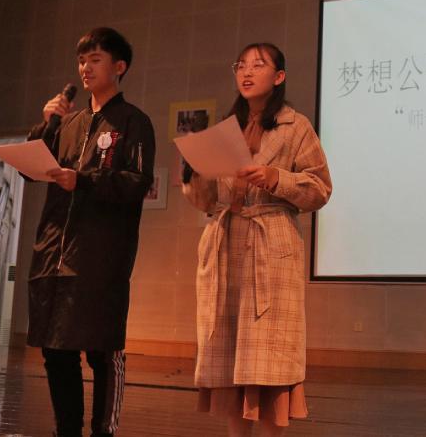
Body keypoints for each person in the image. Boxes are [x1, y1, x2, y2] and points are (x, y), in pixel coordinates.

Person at [182, 42, 332, 437]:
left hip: (270, 245)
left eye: (258, 65)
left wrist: (275, 178)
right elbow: (206, 201)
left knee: (268, 359)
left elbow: (320, 189)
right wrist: (194, 174)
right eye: (241, 65)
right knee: (232, 356)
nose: (247, 72)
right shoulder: (225, 129)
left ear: (279, 76)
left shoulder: (296, 126)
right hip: (227, 242)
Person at [27, 27, 155, 437]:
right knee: (56, 349)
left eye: (95, 59)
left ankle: (103, 431)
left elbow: (136, 182)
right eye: (82, 60)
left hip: (101, 256)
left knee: (102, 350)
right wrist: (45, 124)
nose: (85, 67)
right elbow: (29, 168)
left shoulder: (133, 121)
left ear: (120, 66)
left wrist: (82, 180)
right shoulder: (68, 122)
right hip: (55, 251)